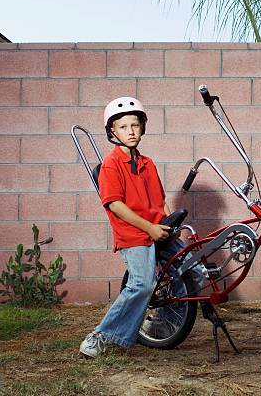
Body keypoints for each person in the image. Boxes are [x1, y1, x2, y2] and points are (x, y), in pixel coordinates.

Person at [79, 96, 204, 358]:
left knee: (194, 270)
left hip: (158, 228)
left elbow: (159, 200)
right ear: (112, 132)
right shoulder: (111, 165)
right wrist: (149, 228)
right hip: (135, 234)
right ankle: (100, 335)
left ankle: (159, 320)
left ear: (142, 127)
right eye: (123, 127)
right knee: (142, 284)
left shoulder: (148, 163)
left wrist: (171, 223)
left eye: (135, 125)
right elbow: (115, 205)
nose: (131, 131)